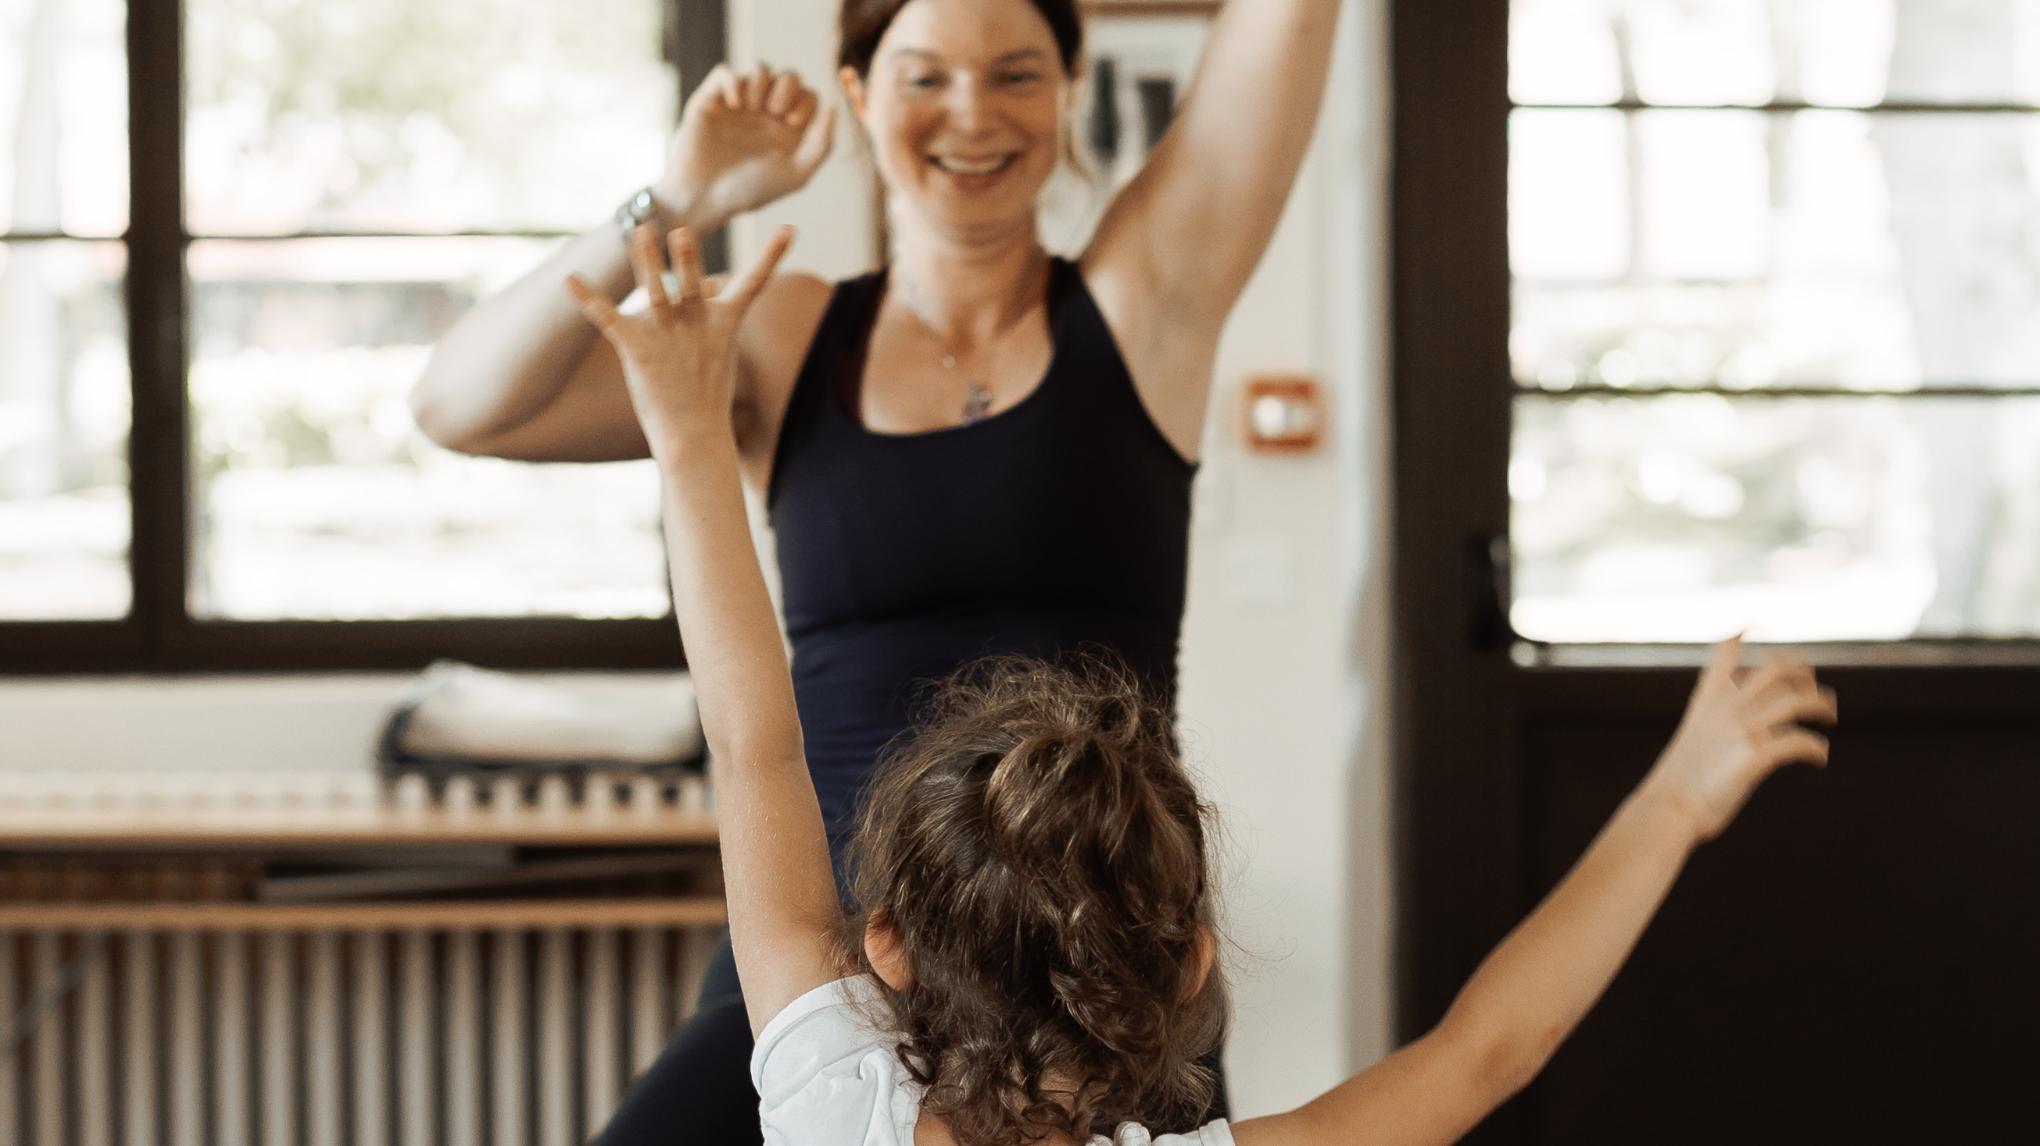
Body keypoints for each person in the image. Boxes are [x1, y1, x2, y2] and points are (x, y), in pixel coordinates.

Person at [566, 221, 1842, 1145]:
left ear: (884, 946)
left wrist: (685, 425)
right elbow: (1490, 1050)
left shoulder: (827, 1096)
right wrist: (1675, 797)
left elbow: (755, 742)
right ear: (1190, 972)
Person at [411, 0, 1346, 1137]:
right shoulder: (780, 335)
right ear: (857, 95)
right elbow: (459, 405)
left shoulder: (1141, 307)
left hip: (1091, 958)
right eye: (925, 77)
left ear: (1065, 90)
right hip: (829, 942)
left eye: (1014, 74)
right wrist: (677, 200)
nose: (973, 114)